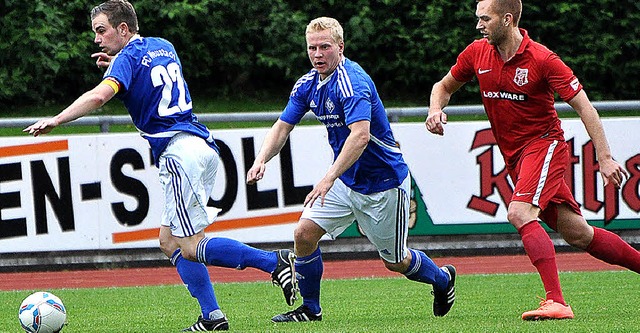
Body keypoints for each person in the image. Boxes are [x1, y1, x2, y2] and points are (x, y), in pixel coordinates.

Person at [23, 1, 298, 331]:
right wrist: (117, 64)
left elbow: (99, 97)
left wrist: (57, 119)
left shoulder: (126, 60)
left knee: (191, 245)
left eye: (101, 30)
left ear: (123, 29)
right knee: (169, 242)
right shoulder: (163, 46)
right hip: (201, 146)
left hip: (179, 154)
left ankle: (274, 262)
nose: (96, 39)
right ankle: (212, 316)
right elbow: (148, 76)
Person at [426, 0, 640, 321]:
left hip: (544, 146)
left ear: (507, 19)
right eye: (478, 19)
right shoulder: (476, 53)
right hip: (515, 157)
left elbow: (586, 109)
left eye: (485, 19)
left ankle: (557, 301)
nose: (478, 25)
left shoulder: (543, 59)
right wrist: (435, 109)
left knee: (519, 211)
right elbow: (443, 86)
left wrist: (605, 158)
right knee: (578, 233)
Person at [246, 17, 456, 323]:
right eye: (312, 48)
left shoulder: (352, 82)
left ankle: (441, 279)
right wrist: (262, 158)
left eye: (325, 47)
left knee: (396, 261)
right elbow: (282, 125)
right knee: (303, 234)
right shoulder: (308, 84)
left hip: (383, 184)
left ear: (340, 47)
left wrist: (328, 177)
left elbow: (359, 135)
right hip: (346, 181)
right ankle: (310, 309)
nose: (317, 54)